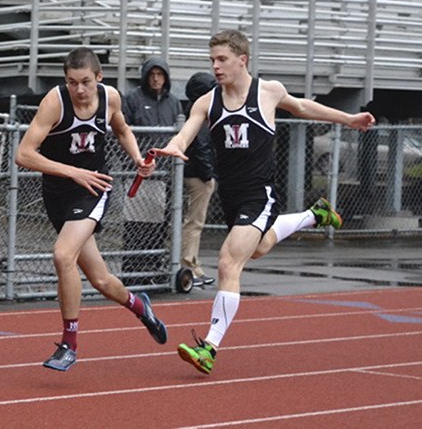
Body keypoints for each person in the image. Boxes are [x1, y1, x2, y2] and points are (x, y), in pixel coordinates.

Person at [153, 30, 375, 375]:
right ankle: (313, 215)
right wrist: (174, 146)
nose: (215, 66)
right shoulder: (206, 102)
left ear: (242, 60)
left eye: (222, 59)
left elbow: (303, 107)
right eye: (212, 60)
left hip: (260, 193)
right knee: (257, 248)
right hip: (231, 196)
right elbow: (186, 133)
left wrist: (348, 119)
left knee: (228, 262)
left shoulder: (268, 92)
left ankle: (209, 347)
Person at [15, 47, 168, 372]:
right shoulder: (55, 102)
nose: (79, 90)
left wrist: (138, 160)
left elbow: (123, 129)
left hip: (94, 190)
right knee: (99, 279)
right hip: (58, 193)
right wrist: (71, 171)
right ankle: (140, 306)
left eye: (85, 82)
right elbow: (24, 154)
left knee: (62, 255)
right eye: (72, 82)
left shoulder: (110, 97)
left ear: (98, 78)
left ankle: (69, 344)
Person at [121, 57, 183, 285]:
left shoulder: (173, 102)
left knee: (159, 226)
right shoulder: (133, 100)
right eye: (152, 74)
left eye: (160, 74)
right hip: (138, 173)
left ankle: (153, 269)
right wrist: (132, 162)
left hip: (165, 176)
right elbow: (122, 132)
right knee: (135, 224)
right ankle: (132, 271)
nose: (156, 79)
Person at [181, 72, 218, 286]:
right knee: (195, 221)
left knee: (192, 221)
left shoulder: (192, 110)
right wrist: (208, 176)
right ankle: (189, 265)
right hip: (197, 174)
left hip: (192, 171)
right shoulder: (201, 113)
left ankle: (192, 264)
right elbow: (202, 146)